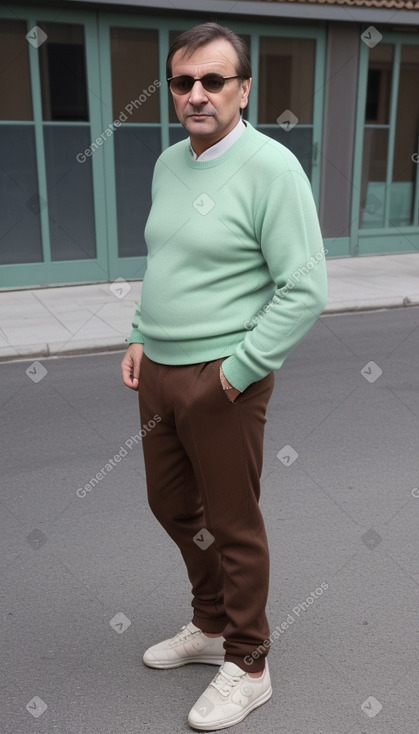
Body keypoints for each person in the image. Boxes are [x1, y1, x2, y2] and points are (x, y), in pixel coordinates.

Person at [121, 22, 327, 731]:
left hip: (222, 376)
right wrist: (141, 332)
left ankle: (248, 661)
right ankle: (209, 626)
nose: (196, 94)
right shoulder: (168, 164)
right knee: (172, 506)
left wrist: (238, 371)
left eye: (213, 80)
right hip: (160, 371)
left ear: (243, 88)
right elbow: (165, 259)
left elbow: (304, 287)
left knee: (232, 523)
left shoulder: (272, 168)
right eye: (183, 82)